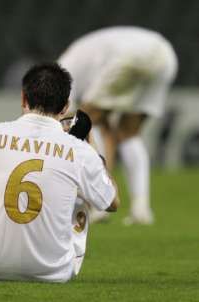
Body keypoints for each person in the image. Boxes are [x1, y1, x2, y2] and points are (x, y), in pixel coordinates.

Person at [0, 63, 120, 283]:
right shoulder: (79, 150)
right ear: (65, 107)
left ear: (23, 99)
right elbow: (111, 203)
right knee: (77, 187)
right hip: (53, 272)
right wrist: (92, 150)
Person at [58, 26, 178, 225]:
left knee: (88, 120)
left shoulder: (63, 68)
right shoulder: (80, 54)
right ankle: (141, 210)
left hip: (130, 56)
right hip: (165, 56)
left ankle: (98, 204)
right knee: (128, 132)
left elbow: (64, 115)